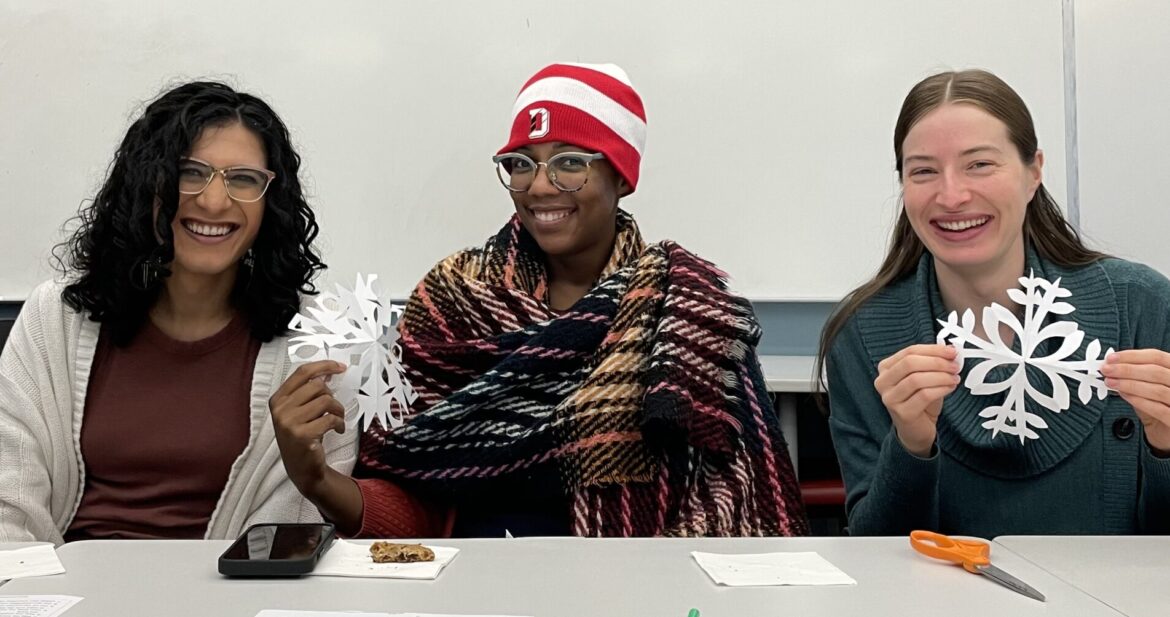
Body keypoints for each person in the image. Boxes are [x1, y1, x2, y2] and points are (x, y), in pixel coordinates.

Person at [272, 62, 808, 537]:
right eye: (521, 164)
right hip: (473, 588)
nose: (540, 186)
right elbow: (415, 499)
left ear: (620, 176)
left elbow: (730, 501)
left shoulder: (687, 311)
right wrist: (318, 481)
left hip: (637, 592)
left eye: (569, 163)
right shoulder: (451, 302)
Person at [817, 69, 1170, 536]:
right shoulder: (864, 334)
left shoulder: (1141, 306)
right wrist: (912, 445)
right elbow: (878, 559)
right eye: (923, 170)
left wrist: (1166, 447)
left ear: (1033, 172)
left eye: (979, 164)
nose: (952, 195)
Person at [0, 81, 356, 544]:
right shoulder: (58, 315)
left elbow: (301, 532)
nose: (213, 201)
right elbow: (8, 501)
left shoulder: (319, 338)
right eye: (189, 172)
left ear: (272, 203)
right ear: (145, 183)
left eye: (243, 179)